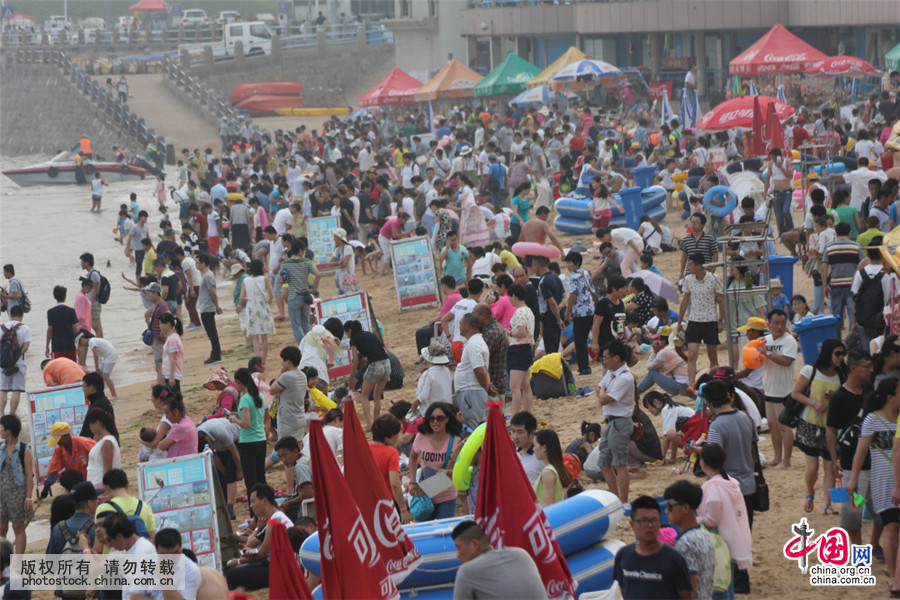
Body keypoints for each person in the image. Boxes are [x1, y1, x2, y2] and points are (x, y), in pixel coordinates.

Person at [826, 348, 878, 548]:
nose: (871, 370)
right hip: (850, 464)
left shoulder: (870, 391)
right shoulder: (840, 397)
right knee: (852, 515)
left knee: (881, 512)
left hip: (875, 460)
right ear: (854, 368)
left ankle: (875, 546)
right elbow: (831, 430)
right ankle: (859, 556)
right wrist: (833, 459)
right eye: (867, 366)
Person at [792, 339, 846, 515]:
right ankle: (810, 493)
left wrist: (835, 397)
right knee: (812, 467)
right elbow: (796, 393)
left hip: (831, 426)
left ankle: (828, 504)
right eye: (837, 353)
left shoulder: (842, 374)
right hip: (810, 423)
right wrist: (814, 402)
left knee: (830, 466)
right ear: (828, 353)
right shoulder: (810, 370)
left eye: (842, 354)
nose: (840, 357)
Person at [698, 443, 754, 598]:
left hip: (719, 543)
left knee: (719, 585)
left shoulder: (712, 487)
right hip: (733, 539)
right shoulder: (730, 482)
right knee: (728, 582)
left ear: (703, 463)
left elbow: (712, 520)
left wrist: (697, 521)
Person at [614, 494, 693, 600]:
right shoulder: (623, 556)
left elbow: (686, 596)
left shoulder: (674, 559)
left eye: (654, 520)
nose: (650, 526)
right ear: (632, 525)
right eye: (643, 521)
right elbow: (624, 591)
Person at [451, 520, 547, 600]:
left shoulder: (467, 571)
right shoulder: (521, 554)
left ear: (475, 544)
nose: (458, 556)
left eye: (459, 548)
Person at [224, 484, 295, 590]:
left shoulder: (275, 520)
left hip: (281, 569)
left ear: (264, 501)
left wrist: (239, 561)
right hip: (277, 564)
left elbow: (262, 554)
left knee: (232, 573)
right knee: (230, 571)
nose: (251, 506)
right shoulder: (276, 516)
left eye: (253, 501)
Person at [595, 340, 636, 502]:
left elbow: (604, 398)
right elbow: (600, 390)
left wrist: (603, 393)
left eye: (606, 357)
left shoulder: (625, 377)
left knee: (620, 464)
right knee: (604, 463)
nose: (604, 361)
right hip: (610, 421)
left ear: (617, 358)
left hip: (620, 422)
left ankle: (624, 501)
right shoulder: (611, 374)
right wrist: (603, 393)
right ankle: (615, 498)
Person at [408, 402, 463, 520]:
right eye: (431, 418)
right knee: (427, 532)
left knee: (443, 533)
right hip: (425, 496)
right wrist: (412, 481)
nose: (435, 422)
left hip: (447, 496)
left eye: (440, 418)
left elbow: (461, 469)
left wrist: (448, 472)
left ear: (447, 419)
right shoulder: (421, 436)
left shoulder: (456, 441)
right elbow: (412, 458)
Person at [678, 252, 725, 387]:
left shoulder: (714, 278)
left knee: (712, 355)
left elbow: (720, 300)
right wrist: (681, 320)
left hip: (710, 320)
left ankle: (714, 382)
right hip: (694, 320)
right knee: (692, 354)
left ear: (699, 266)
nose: (689, 267)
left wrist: (720, 320)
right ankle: (691, 384)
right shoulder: (688, 279)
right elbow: (685, 300)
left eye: (691, 265)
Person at [664, 480, 715, 600]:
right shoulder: (705, 534)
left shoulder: (684, 544)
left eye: (670, 506)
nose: (666, 511)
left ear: (685, 508)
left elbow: (689, 590)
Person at [761, 308, 798, 469]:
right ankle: (777, 457)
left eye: (783, 323)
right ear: (769, 324)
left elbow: (786, 361)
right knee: (771, 424)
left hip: (783, 390)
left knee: (784, 425)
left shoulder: (789, 340)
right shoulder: (766, 340)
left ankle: (787, 460)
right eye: (776, 323)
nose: (780, 327)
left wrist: (767, 354)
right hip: (769, 387)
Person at [229, 368, 268, 515]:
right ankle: (265, 508)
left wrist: (234, 419)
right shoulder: (259, 396)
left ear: (239, 382)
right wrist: (237, 414)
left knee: (251, 481)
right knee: (260, 476)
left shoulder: (245, 399)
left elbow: (246, 423)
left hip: (248, 442)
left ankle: (255, 514)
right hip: (261, 439)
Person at [345, 319, 391, 428]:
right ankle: (376, 423)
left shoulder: (354, 340)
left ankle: (369, 425)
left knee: (364, 396)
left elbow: (355, 362)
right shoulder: (370, 334)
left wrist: (351, 379)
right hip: (387, 364)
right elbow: (385, 351)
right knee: (377, 397)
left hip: (375, 366)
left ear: (350, 330)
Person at [197, 417, 243, 520]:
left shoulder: (220, 432)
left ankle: (230, 509)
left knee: (230, 474)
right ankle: (224, 507)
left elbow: (234, 450)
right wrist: (223, 472)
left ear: (208, 439)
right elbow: (214, 455)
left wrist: (240, 470)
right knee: (221, 475)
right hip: (220, 447)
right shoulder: (198, 436)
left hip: (236, 440)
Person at [0, 414, 33, 555]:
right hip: (1, 495)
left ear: (8, 430)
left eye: (1, 427)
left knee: (18, 527)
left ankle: (18, 562)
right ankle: (3, 562)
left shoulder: (24, 450)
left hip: (18, 494)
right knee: (1, 528)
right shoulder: (0, 448)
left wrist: (29, 497)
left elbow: (29, 475)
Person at [370, 414, 412, 523]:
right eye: (396, 434)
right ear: (388, 437)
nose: (398, 437)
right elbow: (394, 483)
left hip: (369, 502)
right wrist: (403, 510)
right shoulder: (391, 453)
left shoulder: (364, 449)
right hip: (388, 502)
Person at [95, 468, 157, 543]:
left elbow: (99, 545)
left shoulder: (103, 508)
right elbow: (153, 538)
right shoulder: (144, 506)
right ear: (127, 485)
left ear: (106, 487)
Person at [454, 314, 491, 430]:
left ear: (467, 326)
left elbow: (479, 370)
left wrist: (486, 387)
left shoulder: (474, 344)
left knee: (474, 427)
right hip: (471, 391)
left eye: (460, 323)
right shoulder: (474, 343)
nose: (458, 326)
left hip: (471, 392)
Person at [268, 345, 308, 443]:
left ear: (288, 362)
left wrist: (279, 374)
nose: (281, 363)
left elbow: (272, 390)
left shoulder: (286, 376)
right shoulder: (302, 375)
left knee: (285, 447)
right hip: (300, 416)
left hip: (287, 419)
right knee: (298, 446)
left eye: (283, 360)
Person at [565, 251, 596, 375]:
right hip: (590, 309)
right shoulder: (584, 273)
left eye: (570, 263)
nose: (568, 265)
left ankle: (584, 367)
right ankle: (585, 365)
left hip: (580, 312)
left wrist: (567, 311)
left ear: (576, 263)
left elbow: (573, 295)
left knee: (580, 340)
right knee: (584, 339)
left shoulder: (573, 277)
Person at [240, 259, 276, 364]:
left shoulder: (245, 280)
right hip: (262, 307)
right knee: (264, 335)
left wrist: (243, 302)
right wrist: (267, 302)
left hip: (251, 308)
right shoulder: (264, 279)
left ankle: (258, 359)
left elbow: (242, 297)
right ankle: (264, 360)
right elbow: (271, 296)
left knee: (254, 336)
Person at [638, 326, 690, 397]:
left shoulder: (664, 352)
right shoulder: (676, 348)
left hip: (681, 387)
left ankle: (637, 391)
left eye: (659, 339)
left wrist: (654, 351)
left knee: (652, 373)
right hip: (687, 385)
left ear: (663, 341)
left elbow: (649, 367)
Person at [474, 303, 508, 405]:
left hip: (493, 387)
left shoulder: (492, 333)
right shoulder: (495, 327)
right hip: (496, 384)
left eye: (474, 315)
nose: (473, 319)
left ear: (483, 316)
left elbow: (479, 357)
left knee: (489, 419)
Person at [0, 306, 30, 416]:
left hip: (3, 363)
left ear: (10, 314)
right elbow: (25, 347)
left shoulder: (1, 327)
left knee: (3, 390)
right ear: (22, 315)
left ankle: (1, 415)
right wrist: (15, 357)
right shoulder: (25, 328)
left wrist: (6, 358)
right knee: (16, 390)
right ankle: (12, 414)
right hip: (19, 364)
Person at [83, 407, 121, 490]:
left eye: (90, 425)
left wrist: (106, 489)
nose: (90, 428)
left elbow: (107, 470)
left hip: (100, 485)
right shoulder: (104, 441)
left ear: (97, 423)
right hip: (96, 484)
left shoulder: (107, 443)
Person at [533, 428, 572, 507]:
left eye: (535, 445)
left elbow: (549, 504)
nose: (533, 449)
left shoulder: (548, 472)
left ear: (544, 447)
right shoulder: (558, 468)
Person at [196, 253, 223, 365]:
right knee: (211, 332)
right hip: (205, 307)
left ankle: (216, 355)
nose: (196, 265)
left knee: (212, 332)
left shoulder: (207, 276)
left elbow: (213, 293)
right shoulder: (206, 275)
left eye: (197, 262)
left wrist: (217, 306)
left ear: (203, 263)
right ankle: (215, 353)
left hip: (208, 308)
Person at [415, 341, 453, 415]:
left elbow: (423, 397)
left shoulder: (428, 374)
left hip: (432, 412)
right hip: (447, 409)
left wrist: (414, 406)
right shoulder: (447, 371)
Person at [79, 332, 119, 399]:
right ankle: (101, 394)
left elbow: (96, 355)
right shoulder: (94, 340)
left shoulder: (91, 341)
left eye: (80, 341)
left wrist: (96, 368)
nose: (81, 344)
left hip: (110, 356)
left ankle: (114, 394)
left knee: (105, 376)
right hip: (107, 356)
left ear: (83, 338)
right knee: (100, 376)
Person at [45, 285, 79, 362]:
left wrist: (47, 346)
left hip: (57, 347)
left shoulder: (51, 312)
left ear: (54, 296)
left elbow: (50, 330)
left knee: (58, 370)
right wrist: (78, 345)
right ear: (65, 296)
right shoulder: (71, 311)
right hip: (70, 346)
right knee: (72, 369)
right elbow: (75, 329)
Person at [159, 312, 184, 395]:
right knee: (172, 398)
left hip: (172, 373)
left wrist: (172, 376)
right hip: (168, 373)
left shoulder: (172, 339)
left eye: (161, 324)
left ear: (168, 324)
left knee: (175, 399)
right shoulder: (171, 337)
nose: (160, 326)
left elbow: (174, 358)